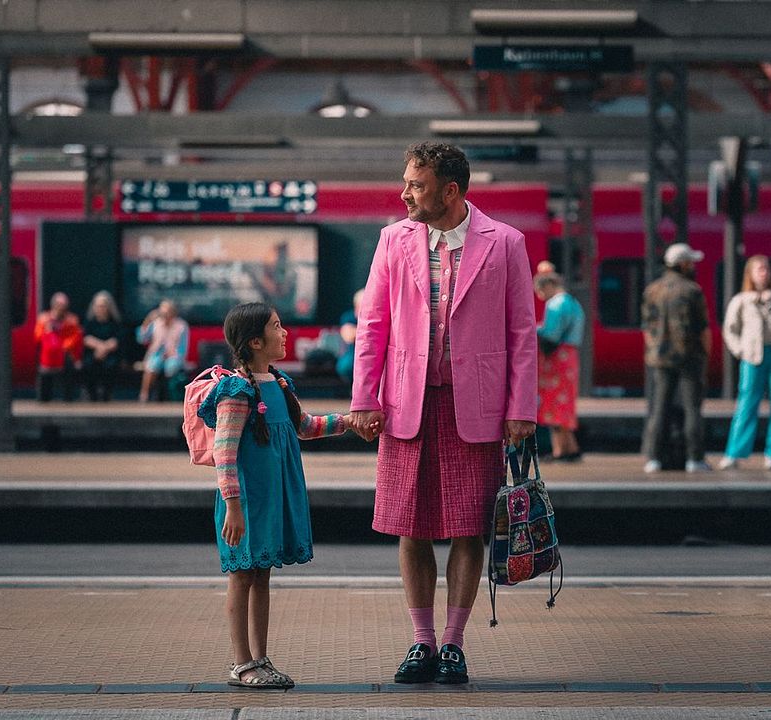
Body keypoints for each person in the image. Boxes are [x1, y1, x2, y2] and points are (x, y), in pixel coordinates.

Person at [350, 142, 537, 686]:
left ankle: (453, 644)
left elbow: (522, 334)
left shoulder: (505, 243)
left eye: (416, 183)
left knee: (467, 528)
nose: (405, 192)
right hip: (406, 403)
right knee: (410, 525)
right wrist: (364, 399)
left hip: (474, 407)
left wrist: (521, 407)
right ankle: (422, 641)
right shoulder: (392, 240)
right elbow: (373, 326)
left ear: (450, 190)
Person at [198, 301, 360, 689]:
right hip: (247, 501)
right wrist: (233, 507)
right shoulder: (236, 391)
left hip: (272, 496)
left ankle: (261, 658)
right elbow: (224, 453)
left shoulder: (279, 382)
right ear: (255, 341)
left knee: (262, 574)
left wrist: (350, 423)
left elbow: (303, 426)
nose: (285, 332)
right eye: (277, 326)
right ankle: (241, 664)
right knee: (241, 575)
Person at [718, 255, 771, 472]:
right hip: (753, 356)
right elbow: (730, 329)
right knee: (746, 403)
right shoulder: (741, 300)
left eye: (766, 268)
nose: (763, 273)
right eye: (759, 269)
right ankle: (734, 452)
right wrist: (740, 349)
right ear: (750, 273)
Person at [641, 242, 711, 474]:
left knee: (660, 407)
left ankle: (654, 458)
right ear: (682, 264)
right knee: (692, 407)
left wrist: (652, 349)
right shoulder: (693, 290)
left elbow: (646, 327)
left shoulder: (652, 289)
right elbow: (703, 328)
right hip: (689, 355)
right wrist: (706, 353)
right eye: (690, 261)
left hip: (659, 356)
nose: (692, 265)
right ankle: (694, 458)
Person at [534, 271, 586, 462]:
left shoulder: (556, 304)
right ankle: (570, 448)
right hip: (569, 357)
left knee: (554, 403)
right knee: (565, 402)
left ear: (547, 286)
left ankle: (559, 450)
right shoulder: (572, 302)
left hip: (557, 359)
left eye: (539, 290)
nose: (540, 296)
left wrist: (536, 328)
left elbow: (551, 335)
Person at [136, 299, 190, 402]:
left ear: (173, 312)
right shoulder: (155, 324)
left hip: (174, 355)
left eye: (168, 311)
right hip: (156, 354)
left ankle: (169, 397)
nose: (165, 314)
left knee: (171, 367)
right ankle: (144, 395)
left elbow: (183, 348)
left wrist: (175, 356)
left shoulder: (181, 326)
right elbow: (142, 339)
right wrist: (148, 320)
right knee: (153, 366)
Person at [34, 292, 83, 402]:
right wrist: (47, 331)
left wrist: (62, 347)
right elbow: (37, 337)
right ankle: (43, 398)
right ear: (53, 305)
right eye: (58, 305)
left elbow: (75, 338)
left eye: (63, 306)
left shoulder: (72, 320)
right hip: (48, 353)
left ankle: (68, 398)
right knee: (43, 367)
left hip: (65, 353)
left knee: (69, 364)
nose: (60, 308)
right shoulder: (43, 319)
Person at [82, 291, 123, 402]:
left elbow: (116, 341)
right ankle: (91, 394)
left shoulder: (115, 322)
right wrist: (99, 347)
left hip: (109, 353)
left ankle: (106, 394)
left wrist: (103, 348)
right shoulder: (89, 321)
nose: (101, 308)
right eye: (98, 306)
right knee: (88, 364)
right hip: (93, 353)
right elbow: (86, 338)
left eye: (103, 306)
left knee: (111, 365)